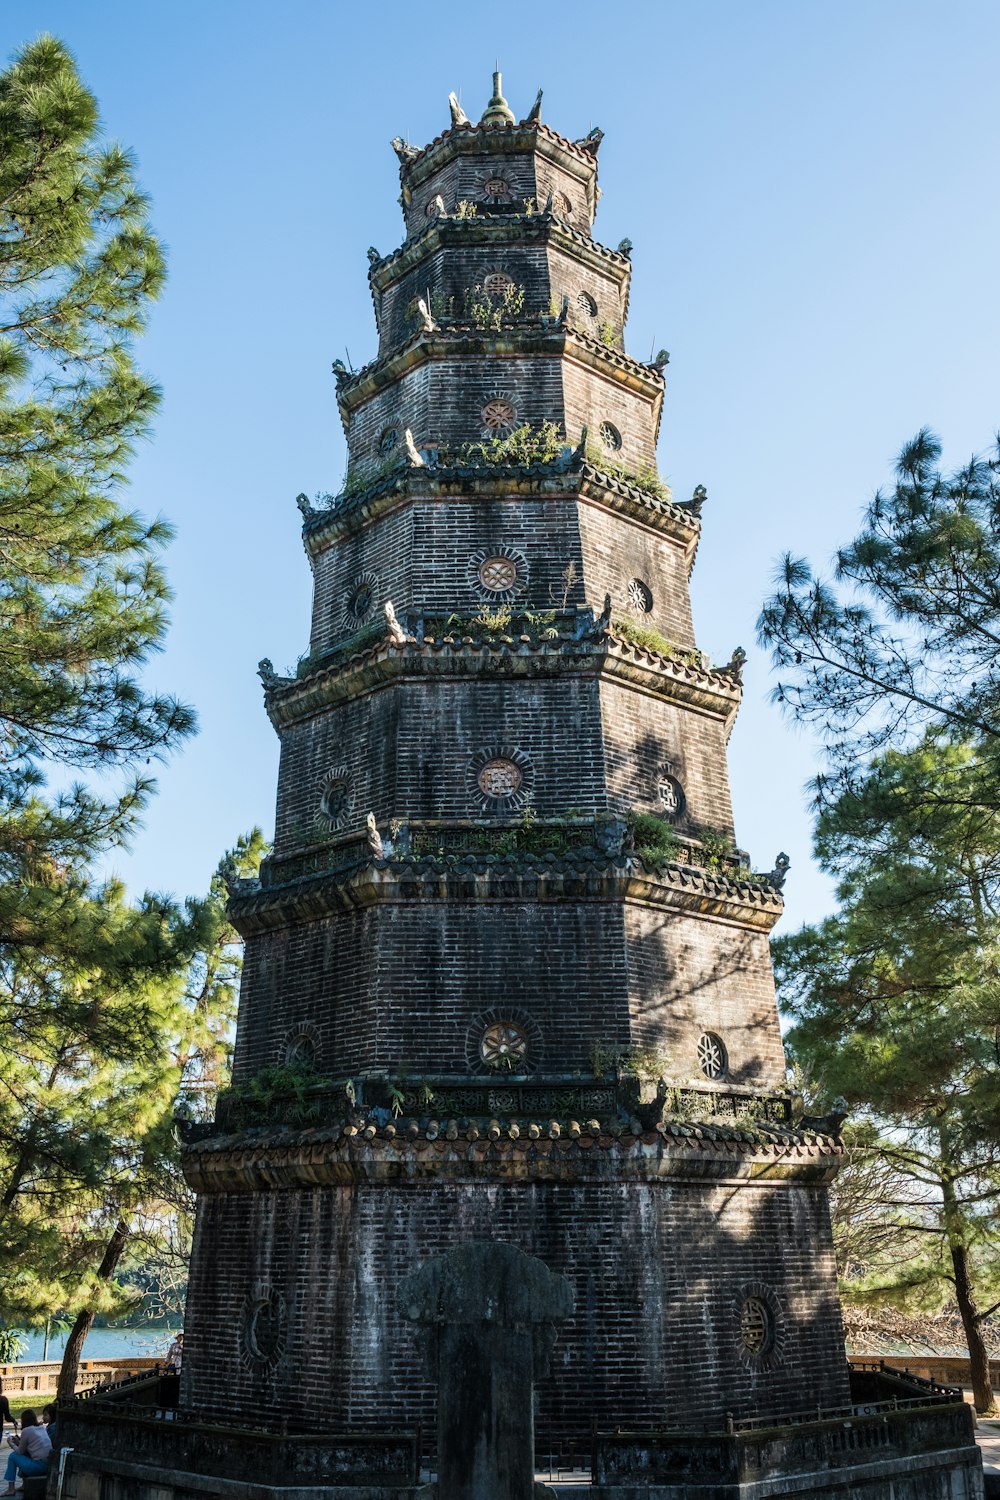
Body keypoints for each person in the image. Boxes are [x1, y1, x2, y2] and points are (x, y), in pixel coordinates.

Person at [2, 1410, 51, 1495]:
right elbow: (30, 1447)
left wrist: (11, 1444)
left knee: (13, 1456)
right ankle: (24, 1485)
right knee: (23, 1456)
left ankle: (11, 1488)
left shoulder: (26, 1431)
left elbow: (20, 1451)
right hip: (48, 1465)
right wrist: (18, 1442)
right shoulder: (41, 1428)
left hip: (38, 1466)